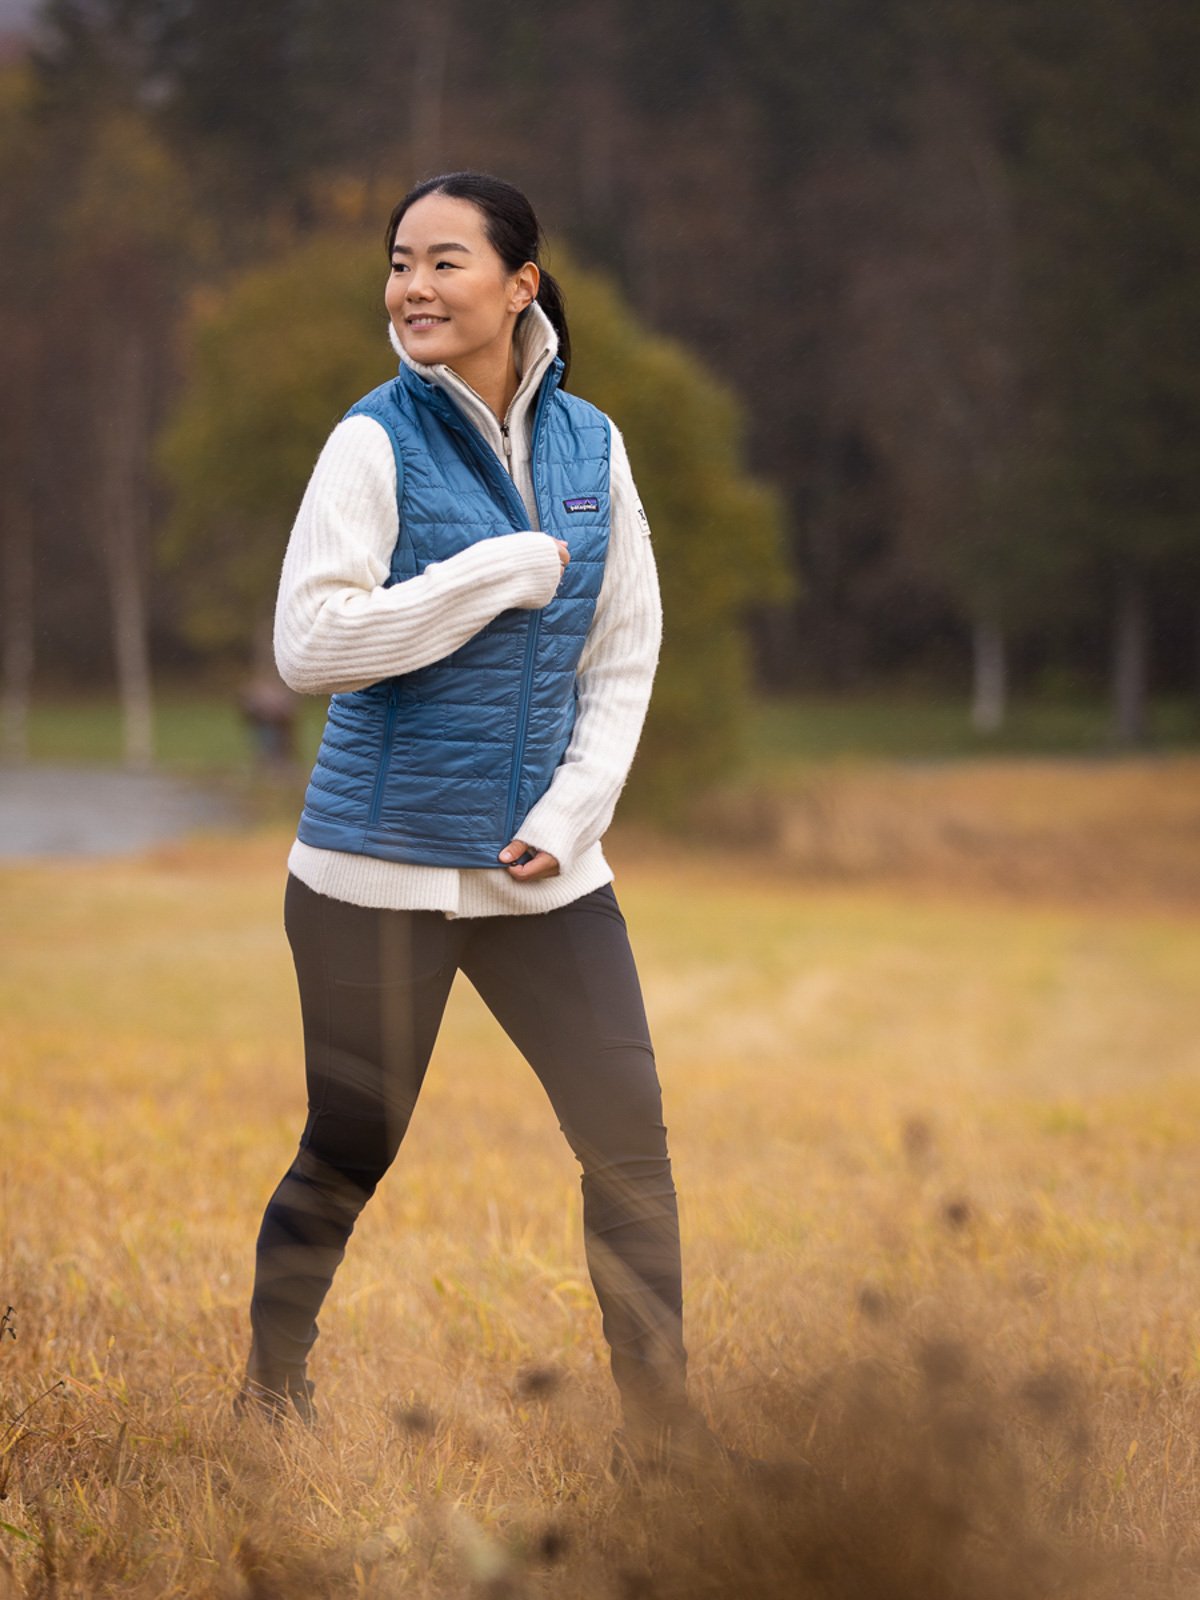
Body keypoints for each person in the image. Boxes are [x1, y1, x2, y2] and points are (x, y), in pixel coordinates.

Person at [236, 171, 710, 1470]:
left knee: (629, 1143)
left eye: (446, 261)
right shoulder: (369, 443)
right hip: (373, 874)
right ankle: (270, 1400)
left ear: (521, 285)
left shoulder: (592, 448)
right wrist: (489, 576)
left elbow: (623, 655)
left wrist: (573, 814)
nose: (413, 288)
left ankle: (664, 1436)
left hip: (544, 870)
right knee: (349, 1152)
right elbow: (308, 648)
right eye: (399, 261)